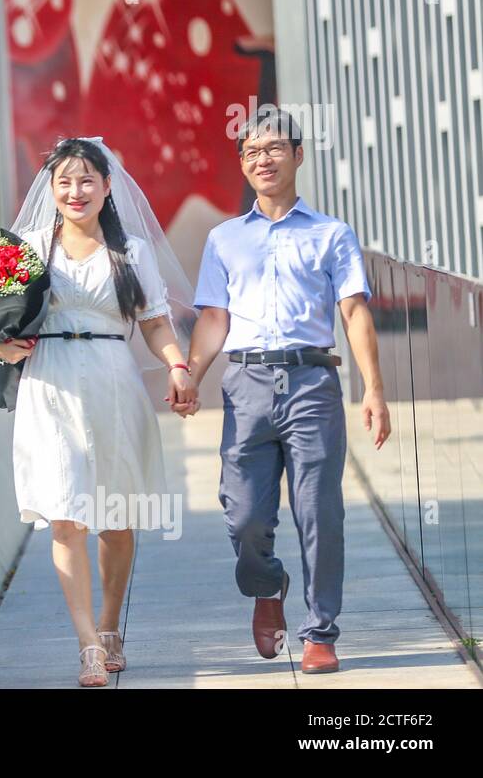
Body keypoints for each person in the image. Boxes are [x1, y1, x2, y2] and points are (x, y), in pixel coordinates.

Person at [177, 107, 391, 674]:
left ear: (298, 155)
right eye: (250, 152)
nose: (262, 159)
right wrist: (190, 375)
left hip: (312, 382)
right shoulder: (224, 240)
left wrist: (374, 389)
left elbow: (354, 312)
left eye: (273, 148)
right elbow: (213, 319)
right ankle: (267, 587)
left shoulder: (331, 234)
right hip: (245, 384)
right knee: (244, 515)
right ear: (242, 166)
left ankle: (320, 631)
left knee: (320, 512)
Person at [0, 136, 197, 686]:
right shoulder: (28, 247)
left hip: (112, 380)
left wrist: (177, 364)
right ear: (50, 190)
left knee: (116, 518)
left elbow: (154, 322)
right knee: (65, 513)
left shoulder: (132, 251)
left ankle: (109, 624)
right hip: (49, 382)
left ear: (107, 187)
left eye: (87, 181)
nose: (75, 191)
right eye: (64, 181)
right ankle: (86, 645)